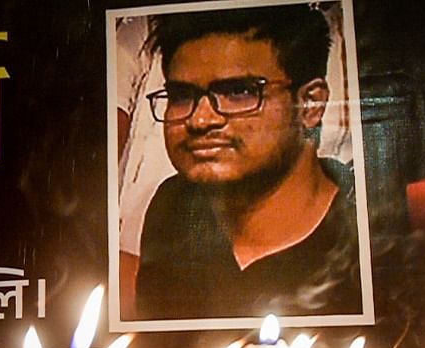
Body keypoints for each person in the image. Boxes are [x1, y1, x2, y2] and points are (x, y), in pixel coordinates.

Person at [134, 4, 362, 321]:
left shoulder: (363, 231)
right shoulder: (173, 206)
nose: (200, 119)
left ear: (311, 103)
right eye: (182, 95)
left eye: (239, 91)